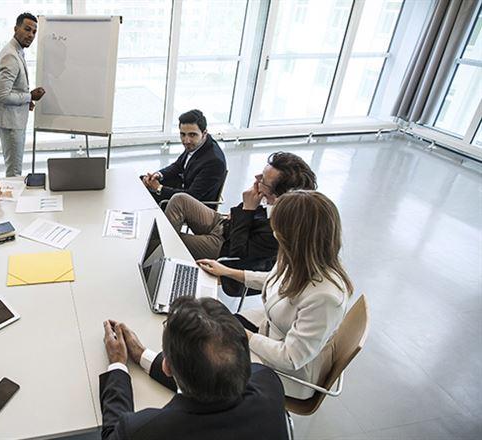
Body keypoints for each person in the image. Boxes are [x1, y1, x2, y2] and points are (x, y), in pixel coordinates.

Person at [197, 190, 353, 399]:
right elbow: (274, 279)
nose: (274, 233)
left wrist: (243, 334)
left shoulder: (326, 298)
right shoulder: (302, 257)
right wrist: (227, 271)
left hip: (287, 373)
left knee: (206, 360)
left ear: (294, 238)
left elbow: (291, 357)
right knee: (206, 329)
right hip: (271, 330)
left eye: (278, 231)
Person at [100, 297, 288, 440]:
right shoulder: (267, 380)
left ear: (167, 367)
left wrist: (117, 365)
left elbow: (113, 434)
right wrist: (142, 355)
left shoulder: (144, 430)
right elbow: (210, 381)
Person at [165, 151, 317, 260]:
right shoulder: (266, 199)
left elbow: (238, 252)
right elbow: (236, 215)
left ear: (277, 195)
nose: (256, 178)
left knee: (170, 241)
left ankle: (162, 254)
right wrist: (244, 210)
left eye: (262, 179)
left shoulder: (281, 229)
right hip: (224, 223)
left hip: (223, 245)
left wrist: (248, 210)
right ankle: (163, 251)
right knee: (180, 199)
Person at [0, 12, 46, 177]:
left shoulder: (16, 50)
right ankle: (13, 203)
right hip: (11, 122)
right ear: (16, 29)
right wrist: (30, 97)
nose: (31, 35)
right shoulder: (11, 56)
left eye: (34, 32)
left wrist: (25, 101)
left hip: (12, 118)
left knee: (14, 168)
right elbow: (3, 96)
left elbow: (12, 88)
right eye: (27, 29)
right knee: (14, 172)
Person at [142, 109, 227, 208]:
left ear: (204, 133)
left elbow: (192, 195)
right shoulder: (197, 144)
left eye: (192, 135)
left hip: (194, 206)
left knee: (145, 197)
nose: (186, 140)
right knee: (143, 182)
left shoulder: (214, 162)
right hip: (184, 188)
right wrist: (158, 175)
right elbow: (178, 166)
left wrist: (159, 188)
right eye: (183, 134)